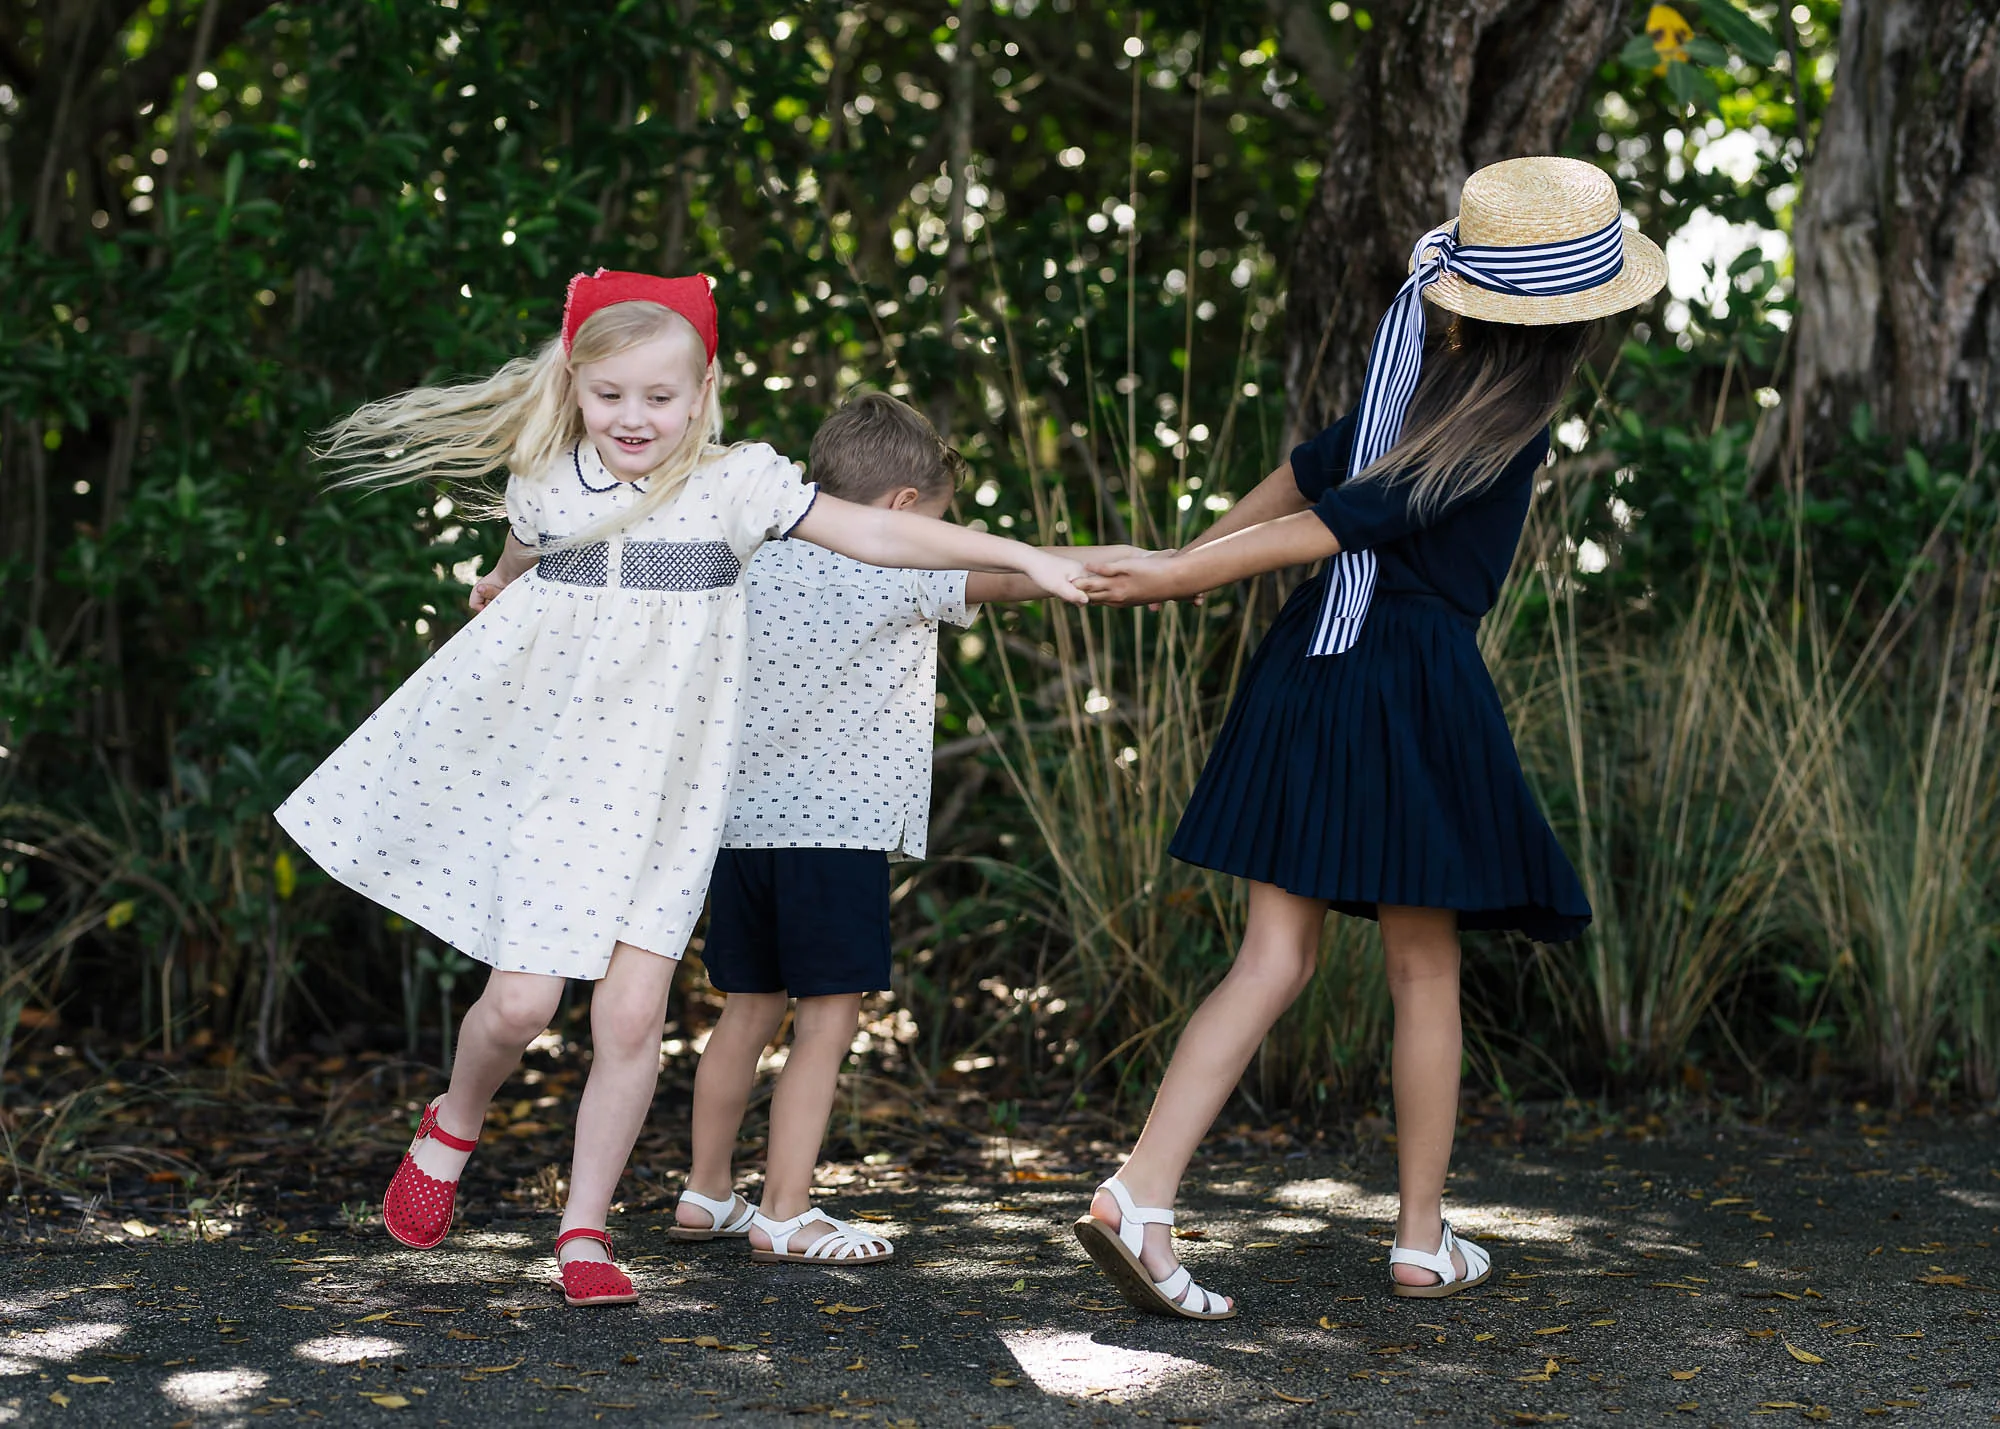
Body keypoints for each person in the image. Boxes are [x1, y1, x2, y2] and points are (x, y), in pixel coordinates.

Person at [273, 270, 1088, 1307]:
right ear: (575, 387)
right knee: (520, 1003)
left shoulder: (736, 485)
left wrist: (1021, 553)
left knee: (630, 1022)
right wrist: (496, 586)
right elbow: (518, 558)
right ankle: (455, 1116)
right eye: (610, 393)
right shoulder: (545, 476)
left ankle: (584, 1229)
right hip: (563, 776)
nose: (634, 417)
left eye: (660, 396)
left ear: (702, 394)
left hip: (667, 793)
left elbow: (880, 534)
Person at [1067, 157, 1666, 1318]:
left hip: (1311, 666)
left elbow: (1302, 482)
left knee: (1270, 958)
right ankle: (1416, 1237)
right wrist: (1174, 576)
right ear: (1578, 319)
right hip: (1403, 682)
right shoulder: (1503, 417)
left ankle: (1143, 1188)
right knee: (1420, 966)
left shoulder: (1420, 378)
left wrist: (1185, 567)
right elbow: (1323, 516)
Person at [665, 392, 1144, 1264]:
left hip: (739, 833)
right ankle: (786, 1210)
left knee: (745, 1010)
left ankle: (707, 1191)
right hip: (835, 835)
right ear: (903, 510)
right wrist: (1122, 564)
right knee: (827, 1021)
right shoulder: (901, 564)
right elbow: (1007, 577)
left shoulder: (749, 559)